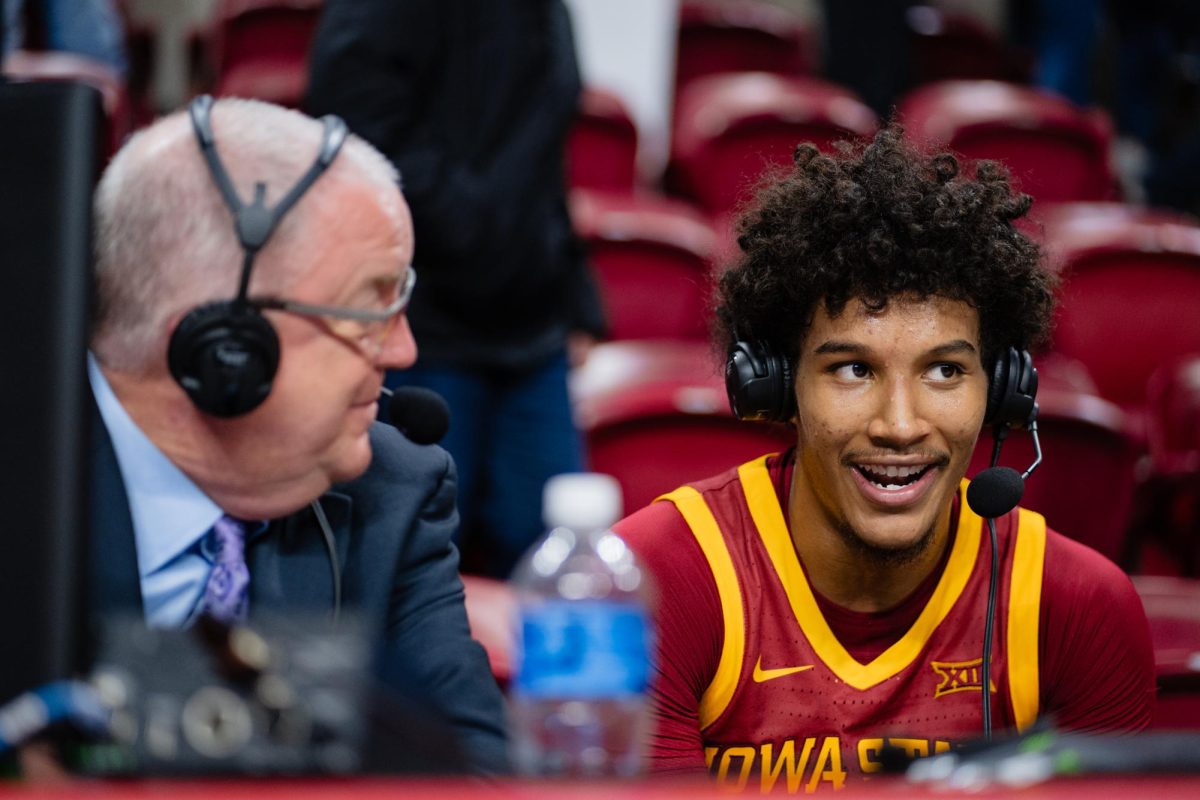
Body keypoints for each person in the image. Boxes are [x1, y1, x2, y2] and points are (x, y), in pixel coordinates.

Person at [612, 126, 1155, 789]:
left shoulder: (1075, 607)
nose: (900, 426)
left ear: (1004, 390)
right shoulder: (655, 581)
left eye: (946, 372)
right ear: (778, 387)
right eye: (851, 370)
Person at [88, 96, 507, 774]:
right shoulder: (25, 488)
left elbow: (474, 777)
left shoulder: (393, 492)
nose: (403, 351)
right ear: (222, 345)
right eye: (369, 308)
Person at [304, 0, 607, 578]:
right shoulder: (376, 16)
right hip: (424, 330)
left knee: (555, 569)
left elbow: (543, 159)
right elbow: (361, 139)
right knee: (410, 565)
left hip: (533, 331)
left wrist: (573, 293)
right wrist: (480, 233)